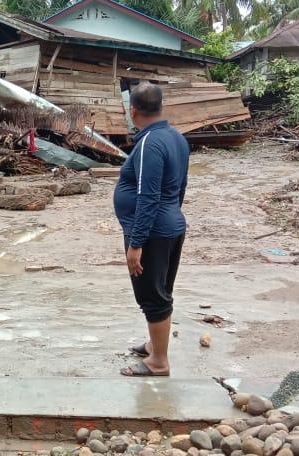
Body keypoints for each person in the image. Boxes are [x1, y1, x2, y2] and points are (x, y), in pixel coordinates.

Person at [113, 83, 189, 377]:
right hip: (171, 226)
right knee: (161, 290)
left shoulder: (148, 144)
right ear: (161, 106)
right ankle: (154, 345)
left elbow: (148, 195)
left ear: (132, 111)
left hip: (153, 233)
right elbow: (180, 186)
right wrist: (173, 215)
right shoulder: (176, 138)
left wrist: (136, 243)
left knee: (152, 296)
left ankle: (159, 361)